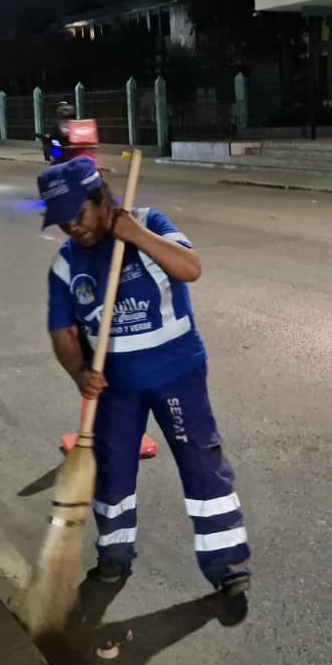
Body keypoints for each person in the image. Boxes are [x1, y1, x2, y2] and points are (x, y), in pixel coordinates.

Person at [38, 156, 252, 601]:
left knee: (201, 462)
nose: (72, 227)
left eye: (78, 214)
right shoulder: (65, 264)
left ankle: (225, 561)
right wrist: (80, 373)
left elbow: (190, 268)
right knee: (113, 471)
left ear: (102, 200)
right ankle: (114, 554)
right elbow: (63, 332)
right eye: (62, 220)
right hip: (115, 386)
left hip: (178, 373)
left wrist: (136, 235)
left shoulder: (149, 223)